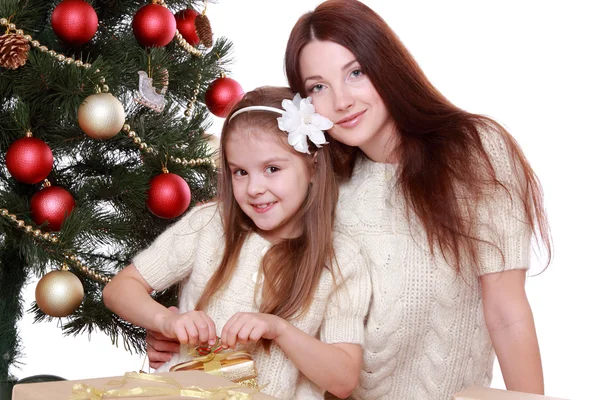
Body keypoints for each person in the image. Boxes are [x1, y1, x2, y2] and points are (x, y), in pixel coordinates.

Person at [147, 1, 552, 399]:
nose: (341, 101)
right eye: (318, 87)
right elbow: (258, 285)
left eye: (356, 72)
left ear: (387, 66)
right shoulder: (318, 182)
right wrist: (179, 335)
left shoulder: (472, 152)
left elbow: (507, 315)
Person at [103, 86, 372, 400]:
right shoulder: (210, 225)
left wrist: (279, 329)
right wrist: (167, 321)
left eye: (272, 169)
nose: (254, 188)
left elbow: (343, 379)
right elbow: (120, 289)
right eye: (240, 172)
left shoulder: (341, 260)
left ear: (312, 166)